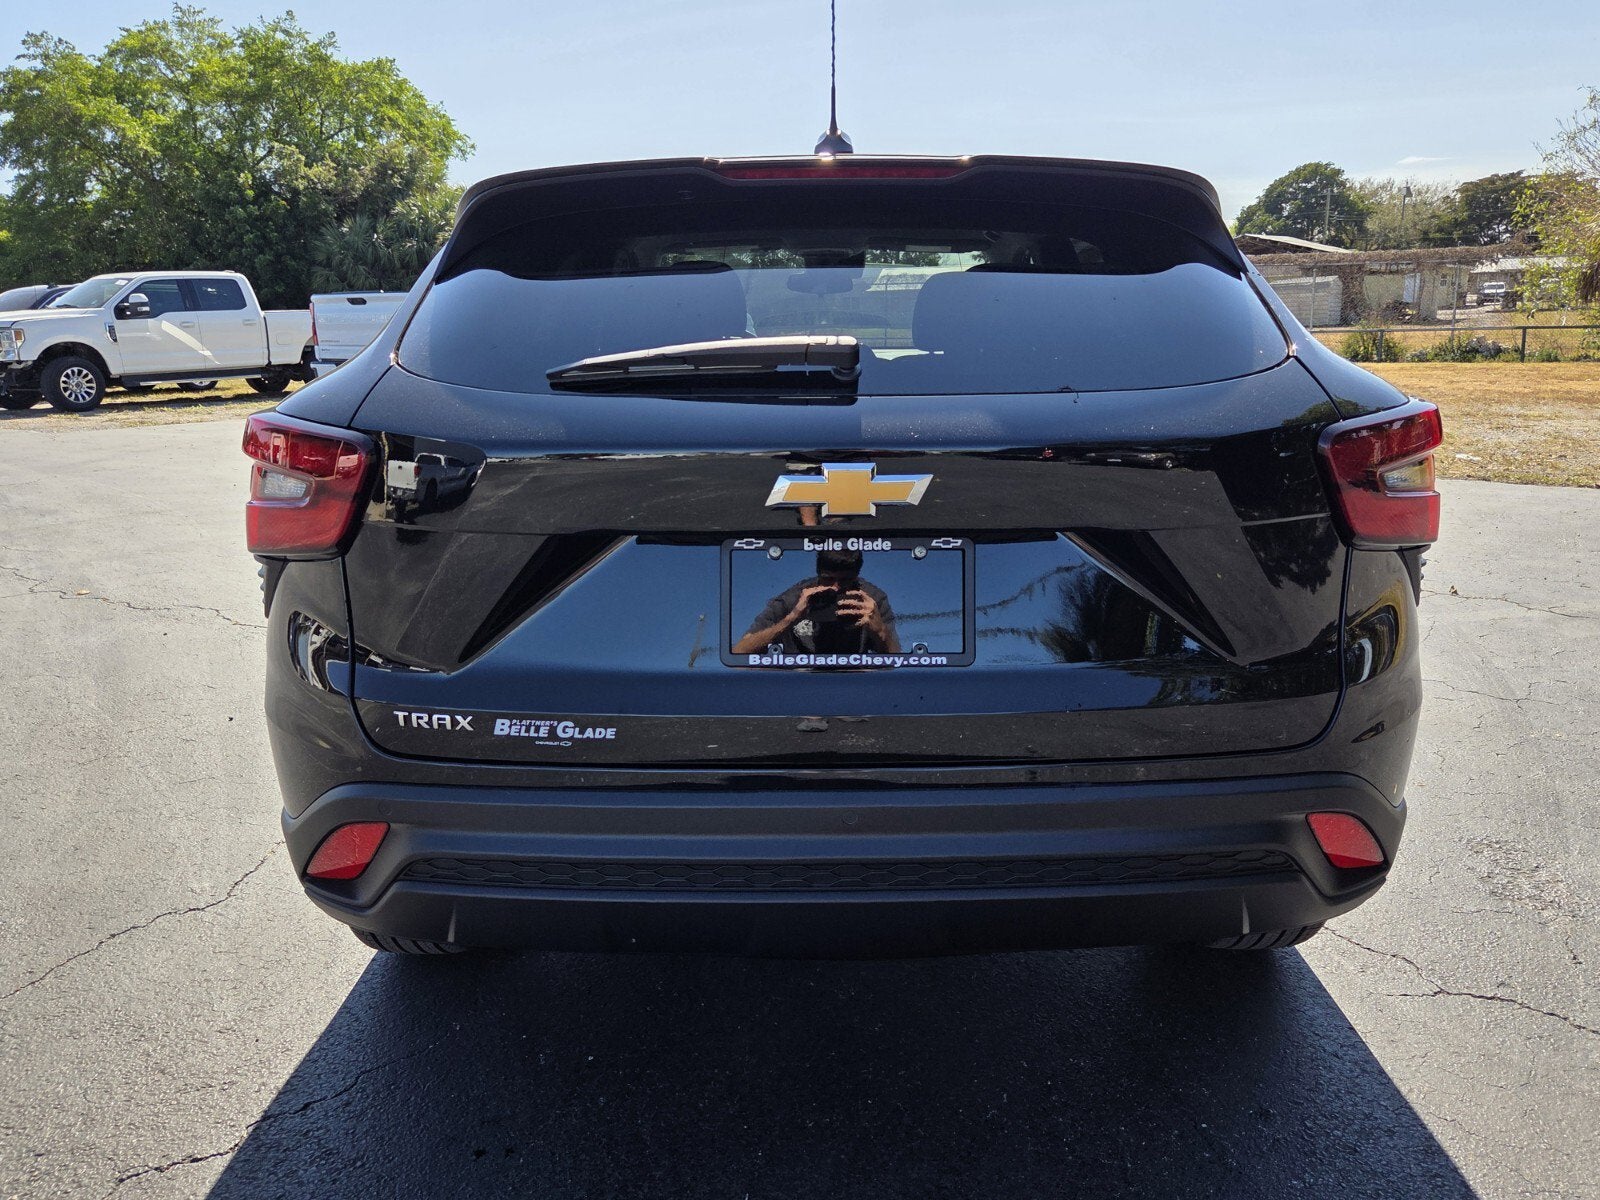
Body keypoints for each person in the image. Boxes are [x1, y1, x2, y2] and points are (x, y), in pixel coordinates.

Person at [732, 548, 900, 656]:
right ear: (818, 573)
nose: (836, 588)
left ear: (856, 576)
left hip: (852, 682)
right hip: (799, 683)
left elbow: (896, 661)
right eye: (828, 579)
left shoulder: (871, 601)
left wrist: (880, 631)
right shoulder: (793, 600)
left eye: (845, 580)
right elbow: (740, 651)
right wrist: (791, 619)